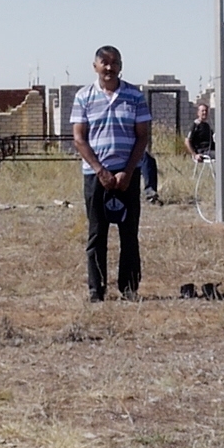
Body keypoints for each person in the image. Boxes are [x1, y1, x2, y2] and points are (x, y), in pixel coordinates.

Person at [70, 45, 152, 302]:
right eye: (104, 62)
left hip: (127, 174)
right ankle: (97, 290)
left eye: (114, 62)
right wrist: (100, 171)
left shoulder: (134, 96)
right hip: (96, 176)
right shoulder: (83, 97)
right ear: (95, 66)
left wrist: (127, 172)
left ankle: (129, 289)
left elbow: (142, 136)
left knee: (129, 234)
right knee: (97, 234)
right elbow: (79, 138)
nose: (109, 67)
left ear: (121, 66)